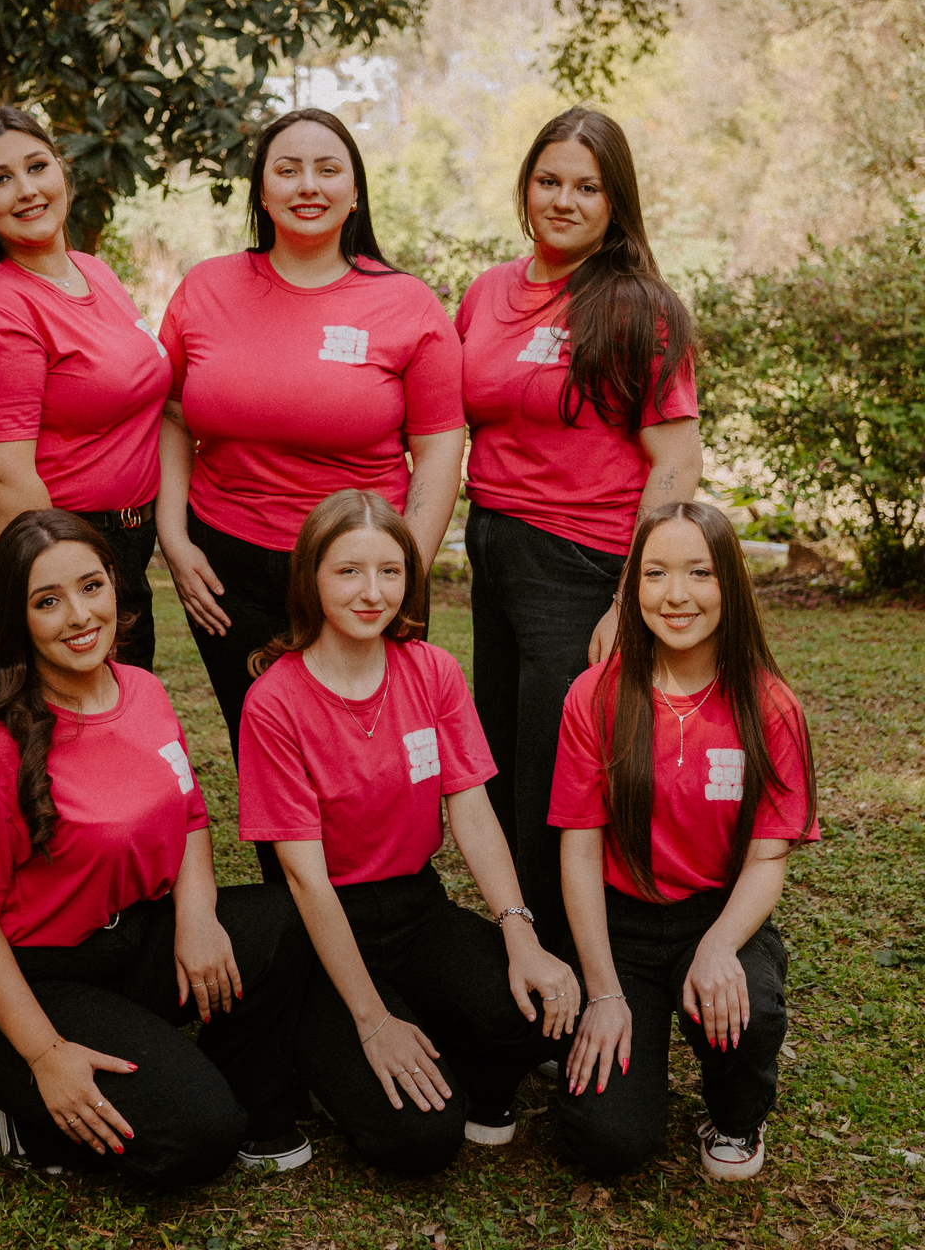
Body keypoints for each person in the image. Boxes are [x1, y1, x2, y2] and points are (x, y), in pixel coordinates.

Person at [0, 508, 313, 1187]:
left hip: (136, 941)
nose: (79, 616)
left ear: (114, 586)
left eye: (91, 586)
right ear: (17, 617)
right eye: (47, 601)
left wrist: (197, 915)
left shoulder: (147, 693)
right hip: (39, 977)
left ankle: (220, 1081)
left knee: (284, 921)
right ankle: (29, 1111)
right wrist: (45, 1054)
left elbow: (190, 816)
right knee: (200, 1137)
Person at [237, 489, 580, 1176]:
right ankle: (323, 1047)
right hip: (328, 925)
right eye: (349, 571)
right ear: (310, 578)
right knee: (420, 1140)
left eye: (389, 571)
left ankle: (434, 1045)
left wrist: (521, 936)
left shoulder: (432, 670)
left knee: (541, 1009)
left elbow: (472, 810)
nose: (373, 592)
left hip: (418, 908)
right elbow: (305, 878)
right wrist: (371, 1021)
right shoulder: (274, 701)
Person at [457, 106, 703, 951]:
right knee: (498, 754)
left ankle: (569, 963)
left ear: (614, 201)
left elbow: (675, 460)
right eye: (549, 181)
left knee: (551, 775)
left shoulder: (637, 307)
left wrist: (629, 597)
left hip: (580, 566)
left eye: (587, 187)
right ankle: (522, 939)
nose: (563, 201)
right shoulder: (488, 291)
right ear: (526, 187)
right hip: (494, 549)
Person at [157, 108, 465, 783]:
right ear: (262, 191)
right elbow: (173, 412)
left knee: (368, 761)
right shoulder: (205, 289)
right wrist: (174, 537)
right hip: (228, 568)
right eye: (288, 169)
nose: (308, 185)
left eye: (328, 170)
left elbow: (441, 446)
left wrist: (405, 569)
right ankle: (288, 860)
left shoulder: (407, 303)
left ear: (354, 193)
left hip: (361, 567)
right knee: (265, 755)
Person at [551, 500, 818, 1181]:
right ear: (633, 587)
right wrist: (602, 991)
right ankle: (631, 1064)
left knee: (747, 1011)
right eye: (655, 573)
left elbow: (767, 855)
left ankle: (735, 1115)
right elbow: (579, 848)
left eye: (699, 572)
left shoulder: (770, 705)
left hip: (716, 914)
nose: (676, 595)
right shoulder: (594, 695)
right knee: (608, 1142)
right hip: (622, 928)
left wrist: (721, 945)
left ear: (730, 584)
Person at [0, 106, 172, 710]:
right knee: (45, 748)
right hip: (25, 555)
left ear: (63, 171)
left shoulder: (93, 273)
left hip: (111, 550)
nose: (26, 190)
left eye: (37, 167)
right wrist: (67, 595)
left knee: (109, 740)